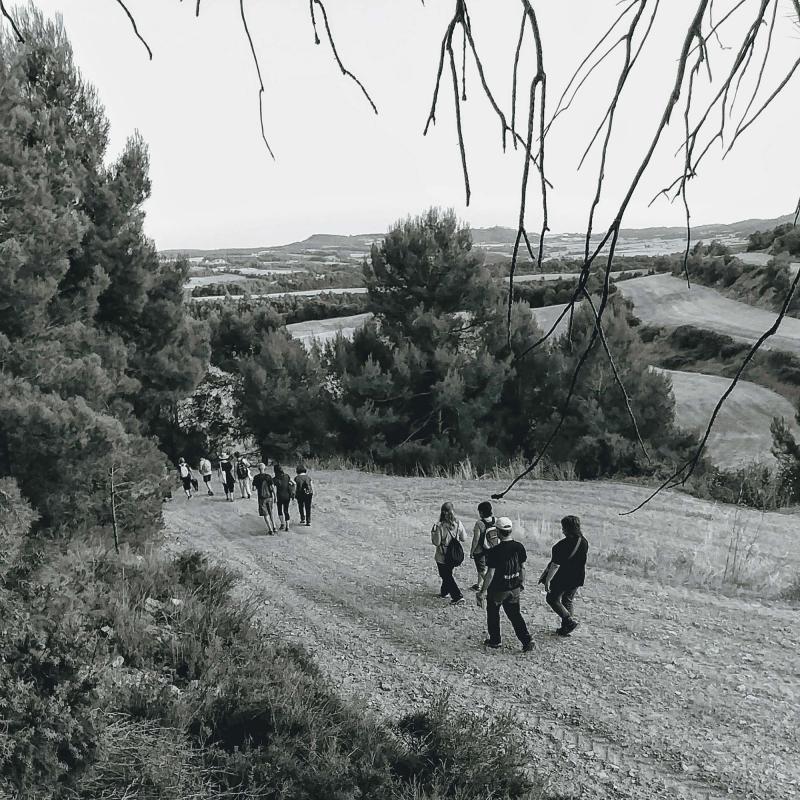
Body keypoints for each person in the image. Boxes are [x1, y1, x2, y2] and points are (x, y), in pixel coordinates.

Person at [477, 517, 533, 652]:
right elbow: (522, 568)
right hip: (514, 587)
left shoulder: (495, 551)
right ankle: (526, 640)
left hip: (498, 590)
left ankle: (495, 640)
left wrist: (483, 591)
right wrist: (521, 583)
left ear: (497, 531)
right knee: (515, 615)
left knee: (493, 614)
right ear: (511, 530)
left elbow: (490, 574)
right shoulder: (519, 547)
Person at [542, 515, 588, 636]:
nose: (562, 530)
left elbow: (555, 565)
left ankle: (569, 621)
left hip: (563, 578)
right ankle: (565, 629)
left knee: (551, 599)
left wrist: (547, 580)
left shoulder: (560, 546)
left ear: (566, 529)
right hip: (578, 576)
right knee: (567, 600)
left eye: (563, 527)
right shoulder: (583, 542)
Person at [431, 502, 467, 606]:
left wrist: (433, 533)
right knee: (448, 574)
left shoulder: (439, 526)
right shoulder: (459, 523)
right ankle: (444, 592)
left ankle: (457, 596)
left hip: (442, 555)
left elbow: (436, 542)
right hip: (453, 555)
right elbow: (464, 538)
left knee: (445, 575)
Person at [469, 501, 497, 591]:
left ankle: (491, 586)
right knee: (488, 568)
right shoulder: (495, 520)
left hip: (480, 550)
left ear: (481, 512)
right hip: (492, 548)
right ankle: (479, 585)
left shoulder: (479, 523)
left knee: (481, 570)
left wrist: (472, 551)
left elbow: (476, 539)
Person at [252, 463, 278, 534]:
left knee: (265, 514)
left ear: (258, 469)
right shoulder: (268, 476)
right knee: (271, 512)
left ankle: (270, 530)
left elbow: (253, 489)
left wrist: (257, 486)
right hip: (269, 497)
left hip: (261, 498)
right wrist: (275, 496)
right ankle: (274, 527)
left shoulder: (256, 477)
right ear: (264, 468)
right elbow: (272, 488)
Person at [273, 464, 295, 531]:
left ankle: (282, 524)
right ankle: (287, 527)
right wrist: (293, 490)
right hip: (287, 496)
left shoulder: (274, 479)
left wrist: (274, 497)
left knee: (280, 510)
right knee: (286, 510)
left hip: (279, 496)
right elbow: (294, 483)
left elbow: (272, 488)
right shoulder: (287, 476)